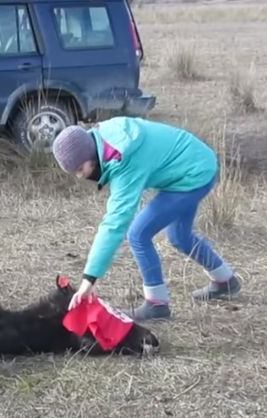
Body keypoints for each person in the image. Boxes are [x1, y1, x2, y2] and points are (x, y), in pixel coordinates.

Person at [51, 117, 242, 324]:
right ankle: (226, 281)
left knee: (138, 234)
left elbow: (115, 224)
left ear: (90, 155)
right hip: (195, 162)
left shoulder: (124, 160)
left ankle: (156, 304)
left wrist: (88, 280)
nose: (80, 177)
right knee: (179, 236)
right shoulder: (102, 137)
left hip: (194, 173)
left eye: (80, 170)